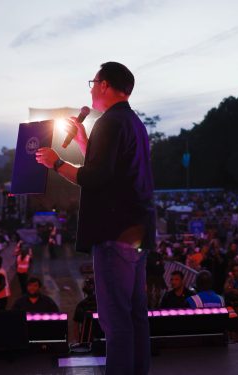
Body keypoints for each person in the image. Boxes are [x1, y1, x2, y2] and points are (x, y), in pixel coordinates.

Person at [35, 62, 154, 375]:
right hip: (135, 232)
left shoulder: (111, 123)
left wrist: (56, 162)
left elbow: (96, 178)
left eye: (93, 81)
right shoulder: (133, 123)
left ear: (105, 85)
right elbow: (112, 170)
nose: (90, 88)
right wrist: (84, 142)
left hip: (113, 233)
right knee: (135, 316)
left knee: (115, 320)